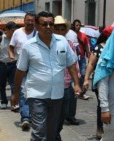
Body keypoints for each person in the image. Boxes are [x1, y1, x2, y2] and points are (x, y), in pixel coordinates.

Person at [11, 11, 81, 141]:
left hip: (57, 95)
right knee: (39, 132)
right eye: (44, 24)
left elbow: (71, 64)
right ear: (37, 26)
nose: (48, 27)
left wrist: (76, 84)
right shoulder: (29, 46)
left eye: (50, 24)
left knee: (52, 131)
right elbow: (20, 71)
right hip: (37, 95)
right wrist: (15, 94)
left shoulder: (62, 42)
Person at [53, 15, 81, 141]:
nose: (59, 32)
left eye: (62, 30)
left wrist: (76, 83)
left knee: (62, 115)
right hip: (51, 86)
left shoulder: (70, 44)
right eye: (57, 29)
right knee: (51, 114)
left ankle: (56, 132)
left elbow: (74, 64)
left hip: (66, 85)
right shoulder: (48, 43)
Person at [83, 25, 113, 139]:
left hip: (113, 81)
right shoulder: (99, 47)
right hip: (99, 80)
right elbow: (91, 63)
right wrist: (86, 79)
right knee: (102, 104)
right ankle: (100, 128)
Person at [8, 12, 36, 130]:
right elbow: (11, 47)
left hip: (35, 67)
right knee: (23, 90)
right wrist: (11, 56)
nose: (30, 22)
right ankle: (25, 117)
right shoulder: (17, 32)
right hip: (20, 66)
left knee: (33, 91)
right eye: (28, 20)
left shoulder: (38, 33)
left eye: (32, 21)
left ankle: (31, 114)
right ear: (24, 21)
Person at [0, 21, 18, 109]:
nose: (14, 33)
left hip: (14, 65)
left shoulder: (17, 39)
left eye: (15, 31)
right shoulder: (0, 39)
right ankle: (4, 101)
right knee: (2, 84)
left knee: (14, 85)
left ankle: (14, 103)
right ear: (7, 30)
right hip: (2, 65)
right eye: (13, 30)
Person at [72, 19, 91, 100]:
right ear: (74, 26)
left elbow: (87, 46)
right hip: (73, 58)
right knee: (75, 75)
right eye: (76, 25)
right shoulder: (71, 34)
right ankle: (76, 90)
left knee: (83, 74)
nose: (78, 27)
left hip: (82, 58)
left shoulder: (83, 35)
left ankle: (82, 92)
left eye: (79, 25)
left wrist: (89, 56)